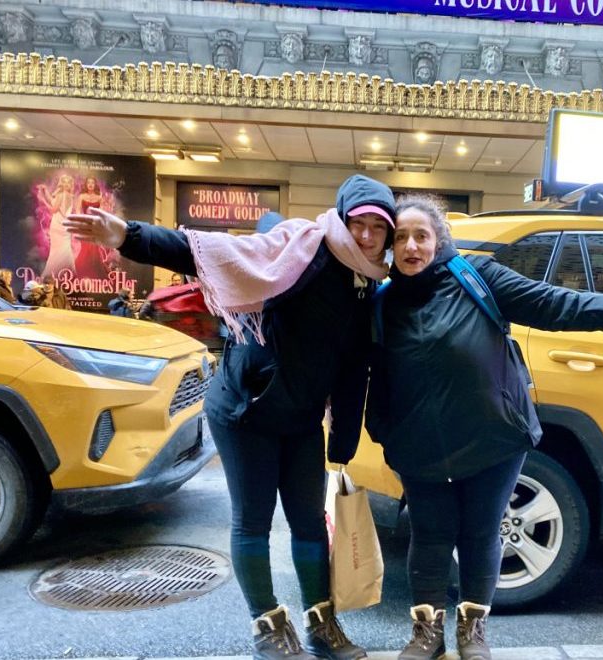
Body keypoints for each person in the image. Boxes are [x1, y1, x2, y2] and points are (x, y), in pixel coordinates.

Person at [64, 174, 395, 660]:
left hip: (300, 418)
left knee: (308, 523)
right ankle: (268, 628)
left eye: (377, 228)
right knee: (253, 522)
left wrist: (342, 443)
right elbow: (205, 250)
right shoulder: (302, 247)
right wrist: (128, 235)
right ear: (342, 218)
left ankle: (322, 626)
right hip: (246, 410)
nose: (366, 235)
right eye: (358, 223)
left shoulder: (369, 283)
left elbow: (353, 370)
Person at [353, 196, 603, 660]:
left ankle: (472, 632)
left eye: (421, 235)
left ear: (439, 238)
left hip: (493, 438)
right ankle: (426, 634)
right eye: (400, 237)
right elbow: (369, 370)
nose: (410, 246)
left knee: (483, 533)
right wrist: (384, 431)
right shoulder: (381, 302)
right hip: (420, 444)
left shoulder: (476, 276)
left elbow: (549, 303)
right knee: (430, 536)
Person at [39, 174, 77, 278]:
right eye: (63, 181)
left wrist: (42, 200)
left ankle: (53, 275)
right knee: (63, 249)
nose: (65, 184)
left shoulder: (62, 195)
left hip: (58, 226)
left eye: (68, 182)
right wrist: (46, 191)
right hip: (64, 226)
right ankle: (67, 274)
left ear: (70, 185)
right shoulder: (69, 196)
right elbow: (53, 201)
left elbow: (53, 209)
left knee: (57, 251)